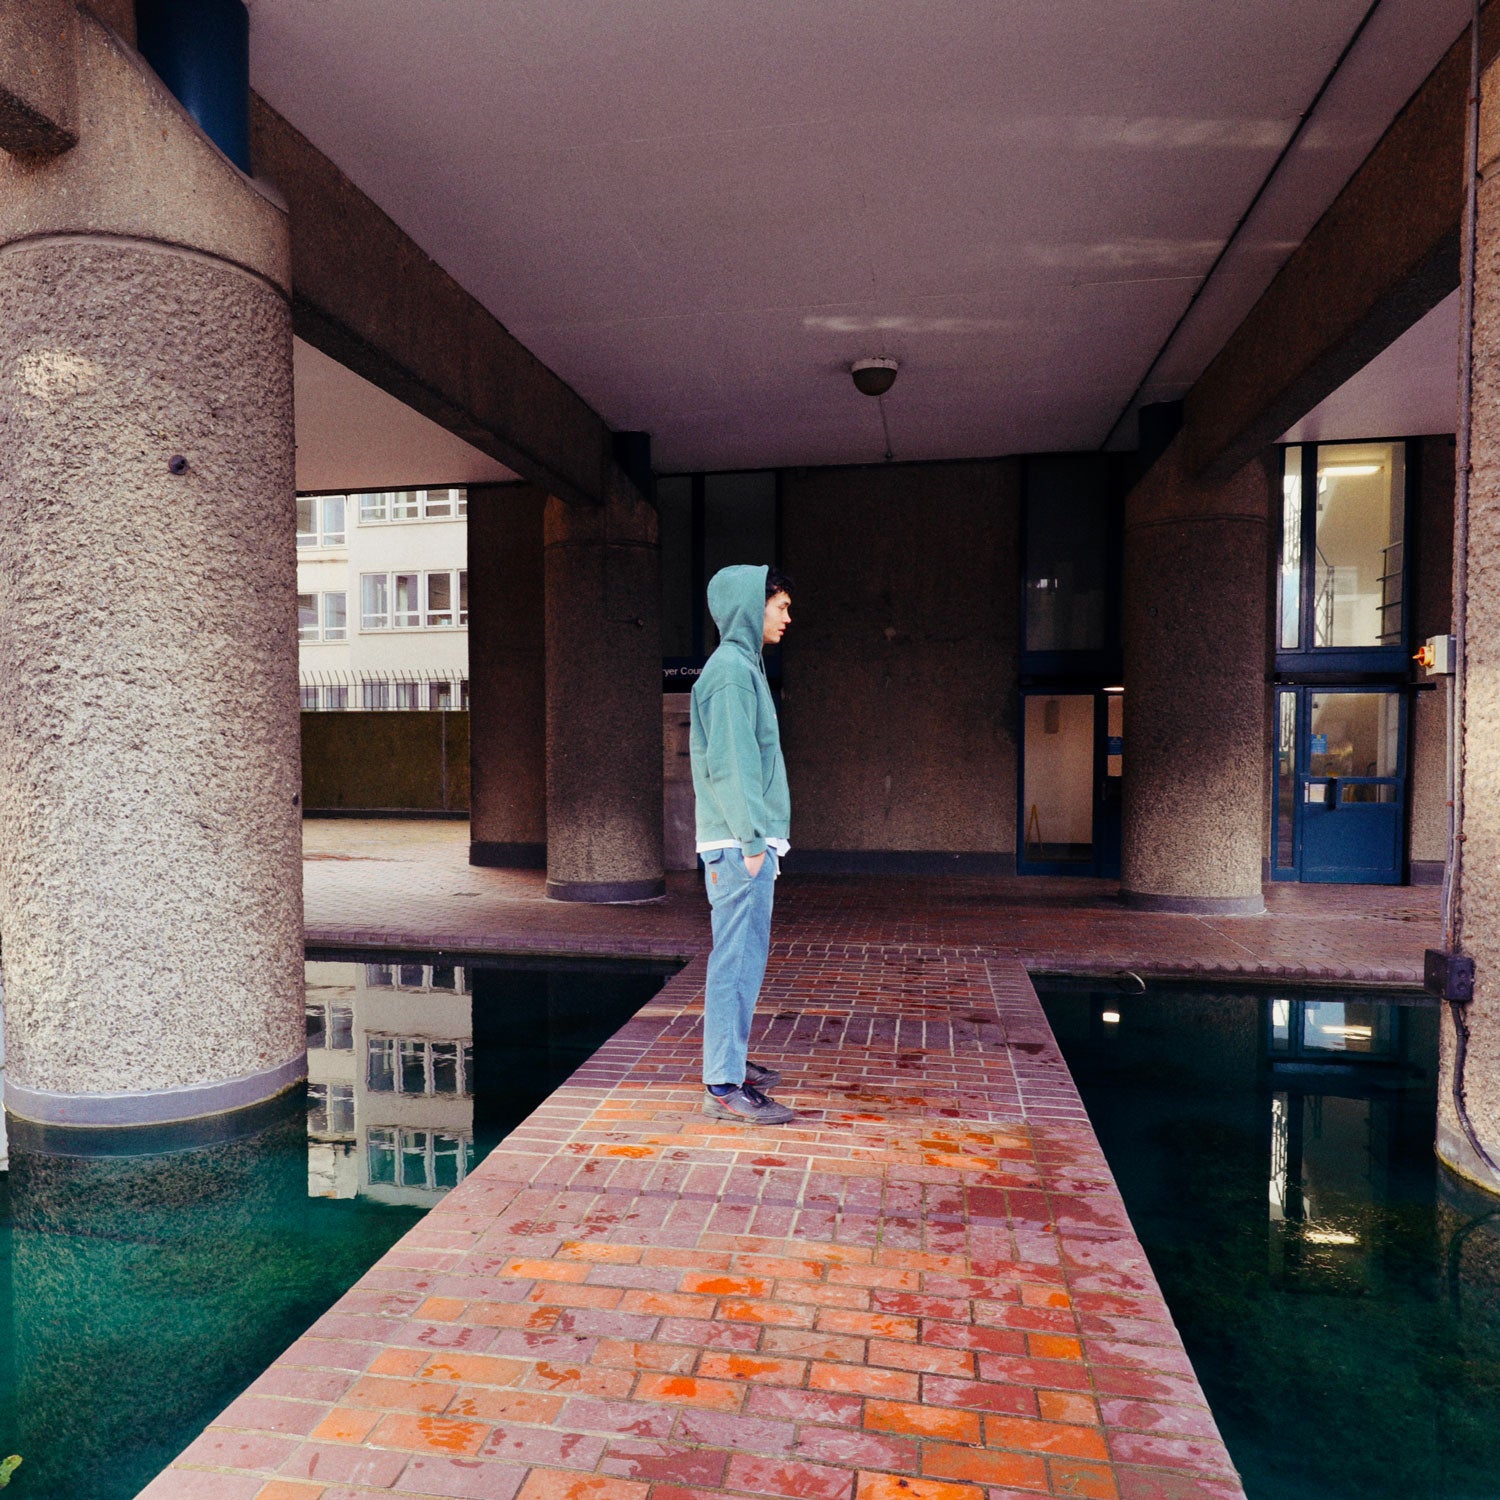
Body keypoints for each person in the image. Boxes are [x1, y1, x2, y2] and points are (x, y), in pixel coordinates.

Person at [690, 564, 796, 1125]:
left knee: (743, 962)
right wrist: (753, 841)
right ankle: (723, 1084)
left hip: (743, 843)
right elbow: (731, 765)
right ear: (752, 608)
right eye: (781, 606)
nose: (787, 617)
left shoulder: (741, 666)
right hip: (739, 845)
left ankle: (729, 1062)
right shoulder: (731, 671)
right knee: (734, 965)